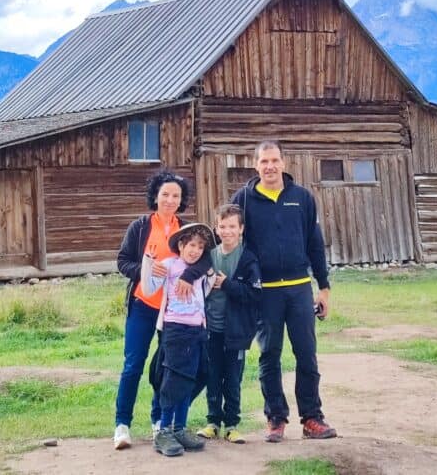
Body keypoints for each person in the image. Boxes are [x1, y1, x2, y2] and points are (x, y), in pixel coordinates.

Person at [231, 141, 337, 442]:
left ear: (284, 162)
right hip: (265, 293)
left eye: (275, 160)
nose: (270, 166)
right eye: (264, 161)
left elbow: (315, 245)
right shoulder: (244, 200)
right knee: (269, 355)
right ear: (255, 165)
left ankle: (312, 418)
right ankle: (275, 418)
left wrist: (324, 287)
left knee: (306, 354)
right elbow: (231, 241)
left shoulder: (302, 198)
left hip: (299, 290)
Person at [113, 170, 211, 451]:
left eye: (176, 196)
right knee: (133, 365)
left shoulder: (187, 230)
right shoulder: (141, 227)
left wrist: (188, 276)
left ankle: (160, 421)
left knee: (168, 368)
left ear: (182, 200)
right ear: (155, 196)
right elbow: (122, 261)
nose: (170, 200)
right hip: (145, 306)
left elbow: (205, 259)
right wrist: (145, 271)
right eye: (165, 194)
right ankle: (122, 425)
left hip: (175, 318)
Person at [141, 222, 217, 457]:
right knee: (172, 381)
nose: (195, 250)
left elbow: (207, 288)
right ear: (181, 245)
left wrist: (210, 275)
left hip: (197, 331)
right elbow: (148, 287)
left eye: (200, 247)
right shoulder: (170, 265)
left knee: (190, 378)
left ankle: (180, 428)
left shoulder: (202, 270)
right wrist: (148, 264)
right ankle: (163, 431)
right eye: (191, 245)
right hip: (175, 331)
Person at [196, 203, 261, 444]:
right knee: (212, 376)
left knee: (232, 379)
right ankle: (213, 422)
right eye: (222, 226)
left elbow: (255, 293)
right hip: (211, 329)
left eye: (232, 226)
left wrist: (227, 285)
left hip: (236, 331)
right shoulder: (209, 255)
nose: (227, 231)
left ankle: (232, 424)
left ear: (241, 229)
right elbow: (197, 286)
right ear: (216, 228)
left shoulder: (248, 258)